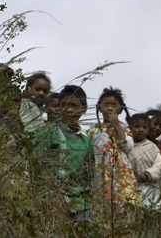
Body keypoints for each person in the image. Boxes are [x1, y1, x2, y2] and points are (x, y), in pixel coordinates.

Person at [34, 85, 95, 221]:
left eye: (74, 106)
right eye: (64, 105)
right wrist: (46, 195)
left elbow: (89, 175)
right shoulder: (48, 131)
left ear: (84, 109)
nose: (69, 110)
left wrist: (89, 200)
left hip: (79, 201)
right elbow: (35, 165)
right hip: (51, 196)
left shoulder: (86, 140)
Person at [88, 87, 141, 205]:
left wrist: (116, 125)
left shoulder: (123, 128)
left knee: (123, 202)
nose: (110, 108)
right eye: (106, 105)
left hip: (120, 172)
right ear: (99, 108)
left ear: (120, 110)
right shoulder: (93, 131)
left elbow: (127, 146)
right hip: (100, 170)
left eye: (114, 105)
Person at [127, 113, 161, 209]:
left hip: (149, 188)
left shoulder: (152, 148)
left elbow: (159, 166)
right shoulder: (126, 146)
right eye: (137, 126)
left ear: (148, 130)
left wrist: (147, 174)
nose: (141, 130)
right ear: (131, 127)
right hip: (129, 187)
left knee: (150, 215)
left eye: (144, 127)